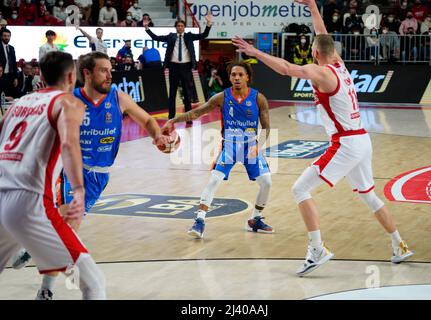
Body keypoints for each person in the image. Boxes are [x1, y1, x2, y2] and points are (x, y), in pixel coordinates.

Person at [232, 0, 414, 277]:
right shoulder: (339, 63)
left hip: (346, 143)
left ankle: (317, 249)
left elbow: (285, 68)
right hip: (362, 139)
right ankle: (399, 244)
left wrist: (254, 51)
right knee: (369, 196)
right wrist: (313, 7)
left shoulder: (321, 72)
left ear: (315, 52)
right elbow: (322, 34)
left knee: (299, 190)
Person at [11, 51, 172, 299]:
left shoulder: (118, 97)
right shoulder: (68, 100)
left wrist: (157, 135)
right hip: (70, 171)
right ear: (86, 74)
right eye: (103, 70)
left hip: (100, 176)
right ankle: (45, 289)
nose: (110, 75)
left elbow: (148, 120)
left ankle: (38, 249)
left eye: (110, 70)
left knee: (66, 228)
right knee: (68, 225)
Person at [0, 51, 106, 300]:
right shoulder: (68, 102)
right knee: (93, 283)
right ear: (72, 76)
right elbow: (69, 144)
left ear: (40, 75)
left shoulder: (16, 105)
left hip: (1, 194)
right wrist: (79, 191)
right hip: (29, 202)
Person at [162, 61, 273, 239]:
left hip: (250, 146)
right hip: (229, 144)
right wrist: (173, 121)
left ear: (248, 78)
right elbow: (196, 113)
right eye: (233, 75)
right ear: (229, 78)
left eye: (240, 75)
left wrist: (259, 145)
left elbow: (266, 128)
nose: (236, 78)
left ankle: (255, 219)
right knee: (214, 180)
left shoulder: (258, 98)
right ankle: (199, 221)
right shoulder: (221, 97)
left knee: (267, 183)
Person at [145, 14, 212, 121]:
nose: (180, 27)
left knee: (187, 93)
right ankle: (171, 117)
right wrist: (147, 28)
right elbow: (155, 38)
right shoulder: (171, 37)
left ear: (184, 27)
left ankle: (188, 117)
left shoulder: (189, 36)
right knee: (172, 93)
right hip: (173, 67)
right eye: (178, 26)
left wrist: (208, 24)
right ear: (176, 27)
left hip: (186, 67)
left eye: (182, 26)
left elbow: (204, 35)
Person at [0, 29, 18, 98]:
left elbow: (14, 63)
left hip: (10, 77)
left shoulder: (11, 48)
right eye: (5, 36)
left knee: (9, 96)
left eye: (8, 36)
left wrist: (15, 77)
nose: (7, 38)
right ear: (1, 36)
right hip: (1, 75)